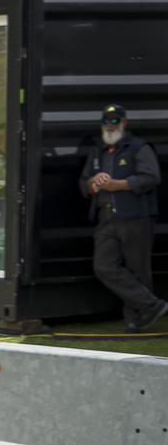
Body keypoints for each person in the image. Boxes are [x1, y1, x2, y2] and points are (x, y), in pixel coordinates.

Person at [79, 103, 165, 334]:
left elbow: (151, 177)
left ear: (124, 122)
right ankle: (151, 305)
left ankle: (135, 320)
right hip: (106, 216)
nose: (110, 125)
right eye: (106, 121)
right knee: (103, 266)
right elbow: (84, 184)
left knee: (138, 268)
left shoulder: (138, 147)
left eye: (114, 120)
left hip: (136, 215)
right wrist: (93, 182)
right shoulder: (96, 152)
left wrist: (120, 185)